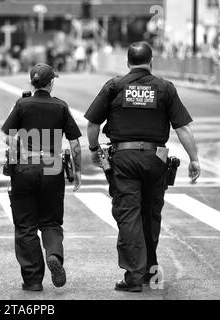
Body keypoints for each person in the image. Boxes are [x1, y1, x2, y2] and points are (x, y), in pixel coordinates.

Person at [84, 41, 201, 292]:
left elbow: (93, 124)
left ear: (127, 62)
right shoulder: (165, 88)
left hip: (124, 160)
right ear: (151, 62)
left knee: (129, 214)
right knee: (150, 213)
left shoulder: (115, 86)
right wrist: (194, 159)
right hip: (156, 159)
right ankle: (148, 269)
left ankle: (134, 277)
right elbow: (182, 127)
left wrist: (94, 150)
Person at [1, 63, 82, 291]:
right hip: (52, 165)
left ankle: (33, 280)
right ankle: (54, 254)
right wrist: (76, 172)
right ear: (51, 82)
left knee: (25, 225)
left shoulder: (22, 104)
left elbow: (7, 137)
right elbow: (75, 144)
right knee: (51, 221)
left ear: (32, 83)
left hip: (25, 166)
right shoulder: (61, 107)